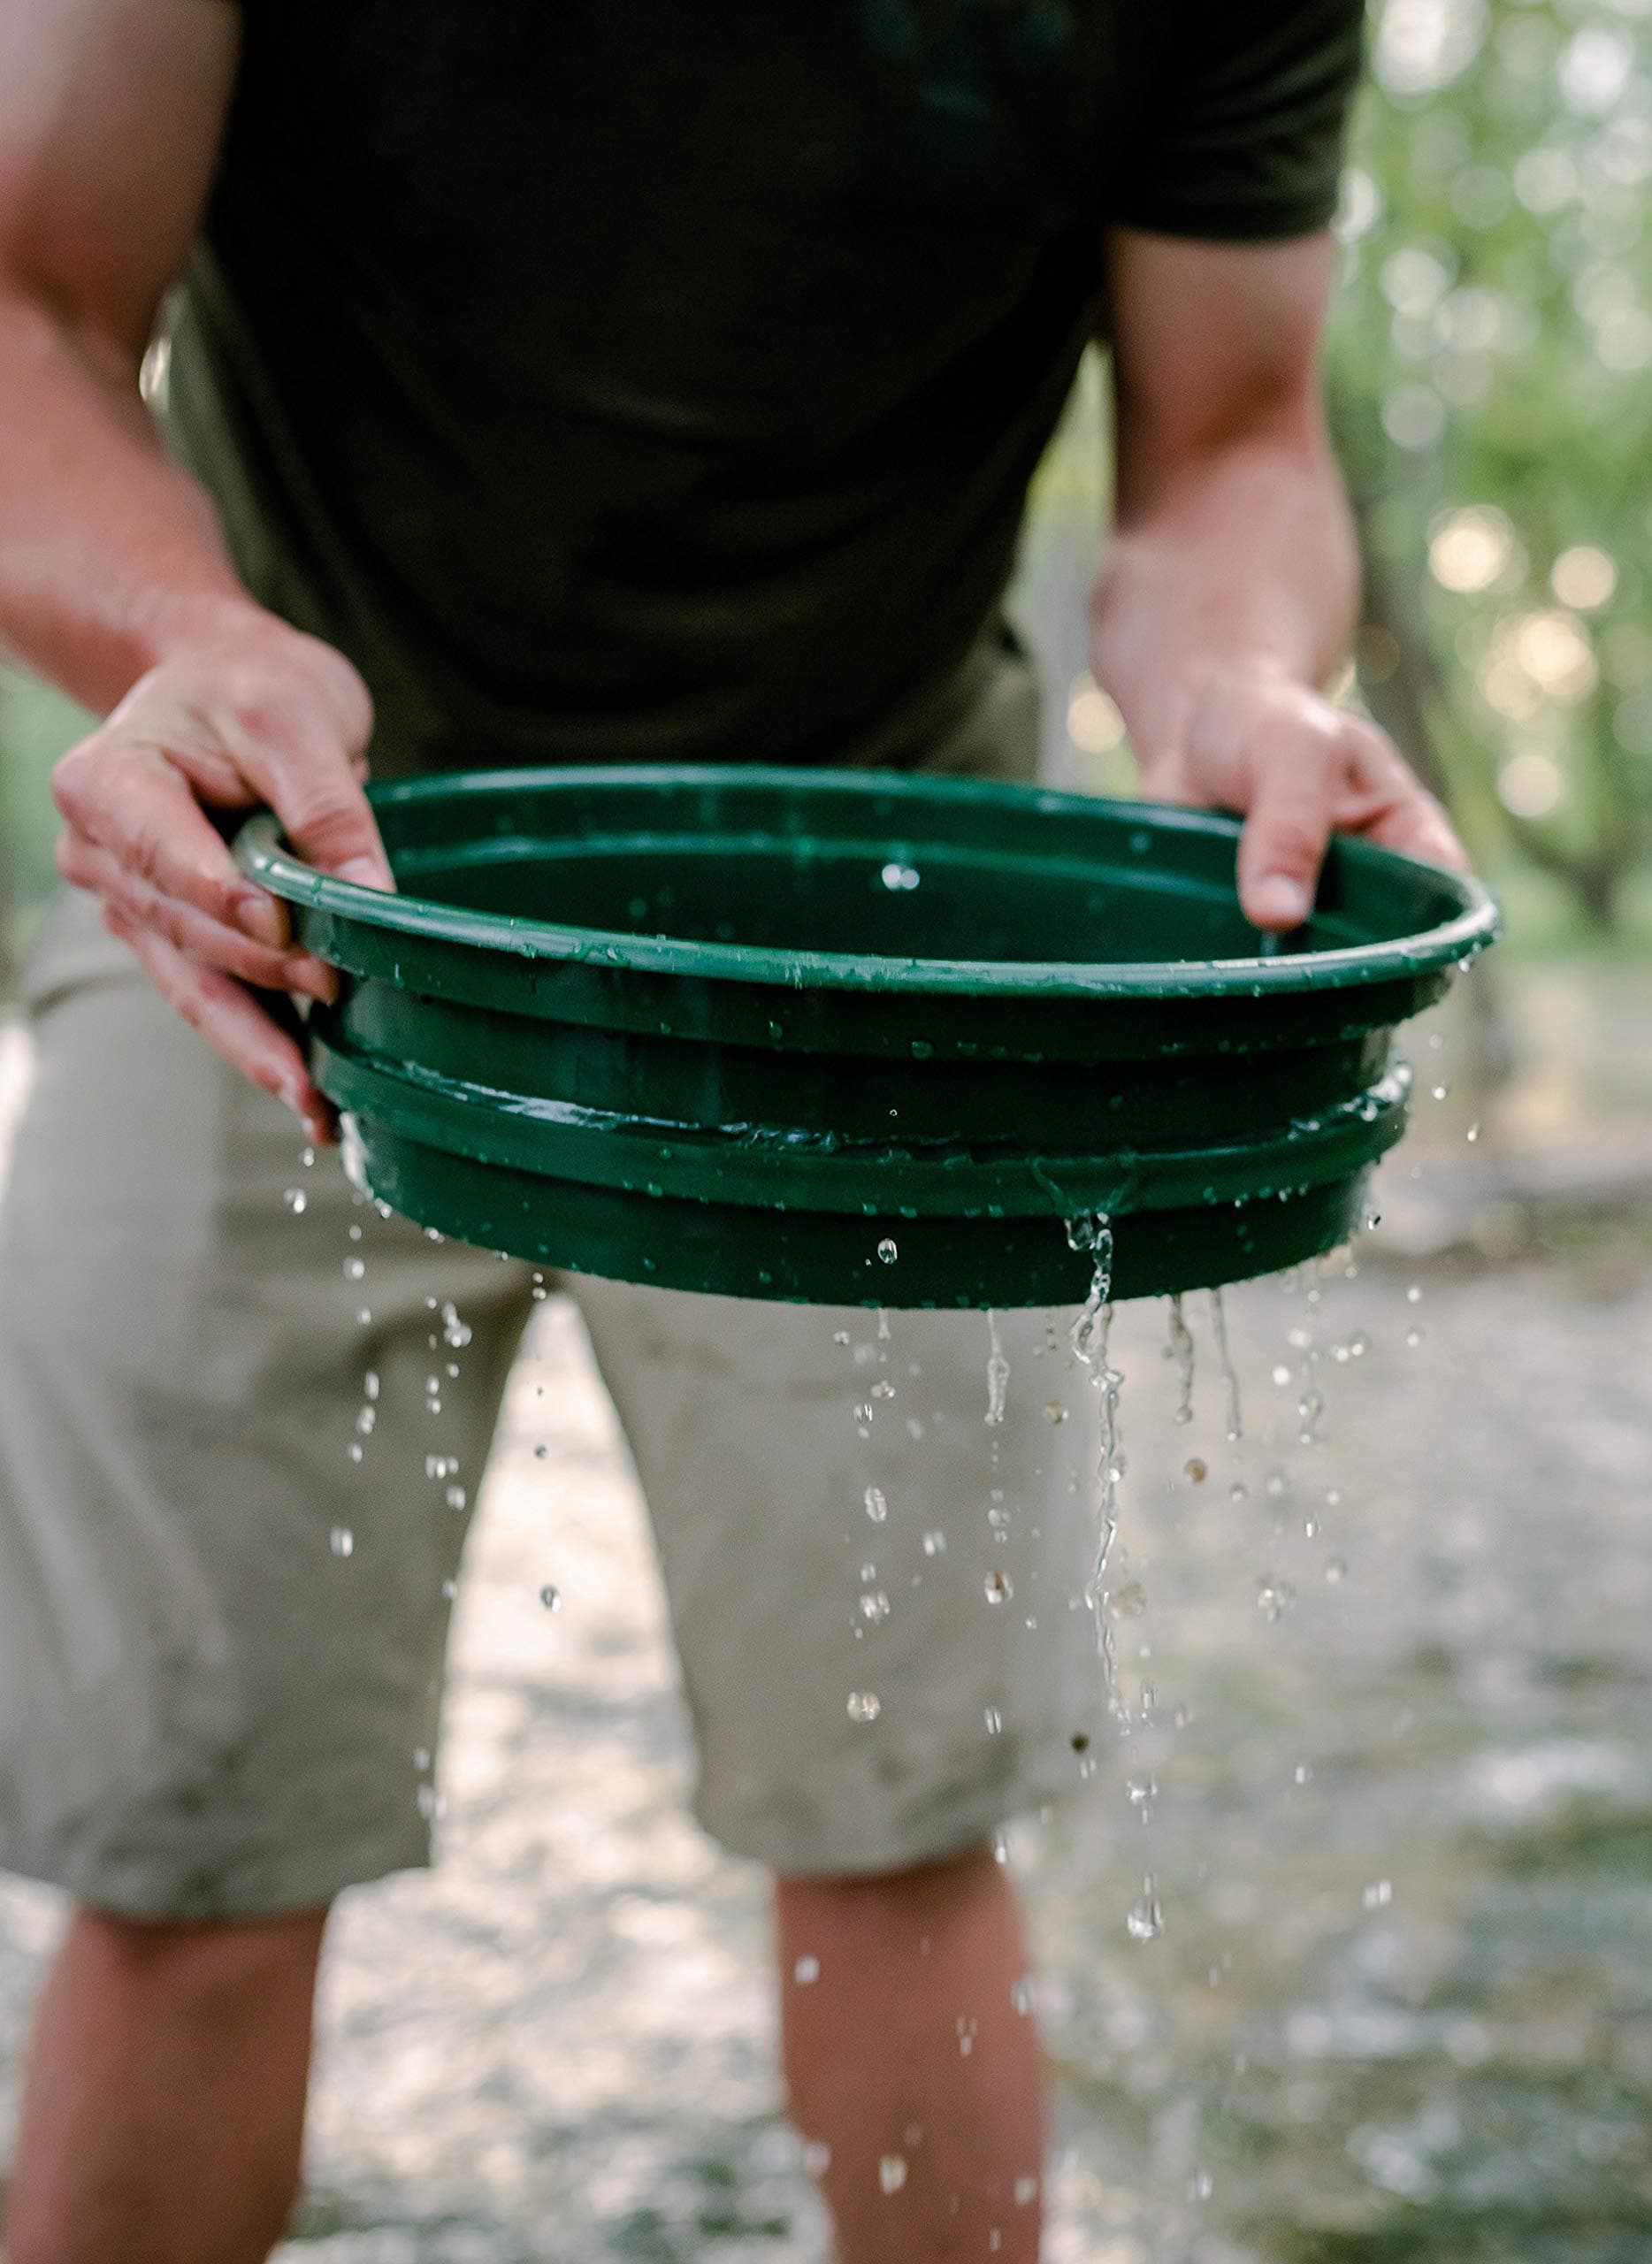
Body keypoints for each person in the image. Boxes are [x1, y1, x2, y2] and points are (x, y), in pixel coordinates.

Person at [0, 0, 1468, 2257]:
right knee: (183, 1863)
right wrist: (180, 631)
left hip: (901, 926)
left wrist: (1245, 686)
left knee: (899, 1831)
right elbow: (28, 303)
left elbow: (1232, 439)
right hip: (285, 868)